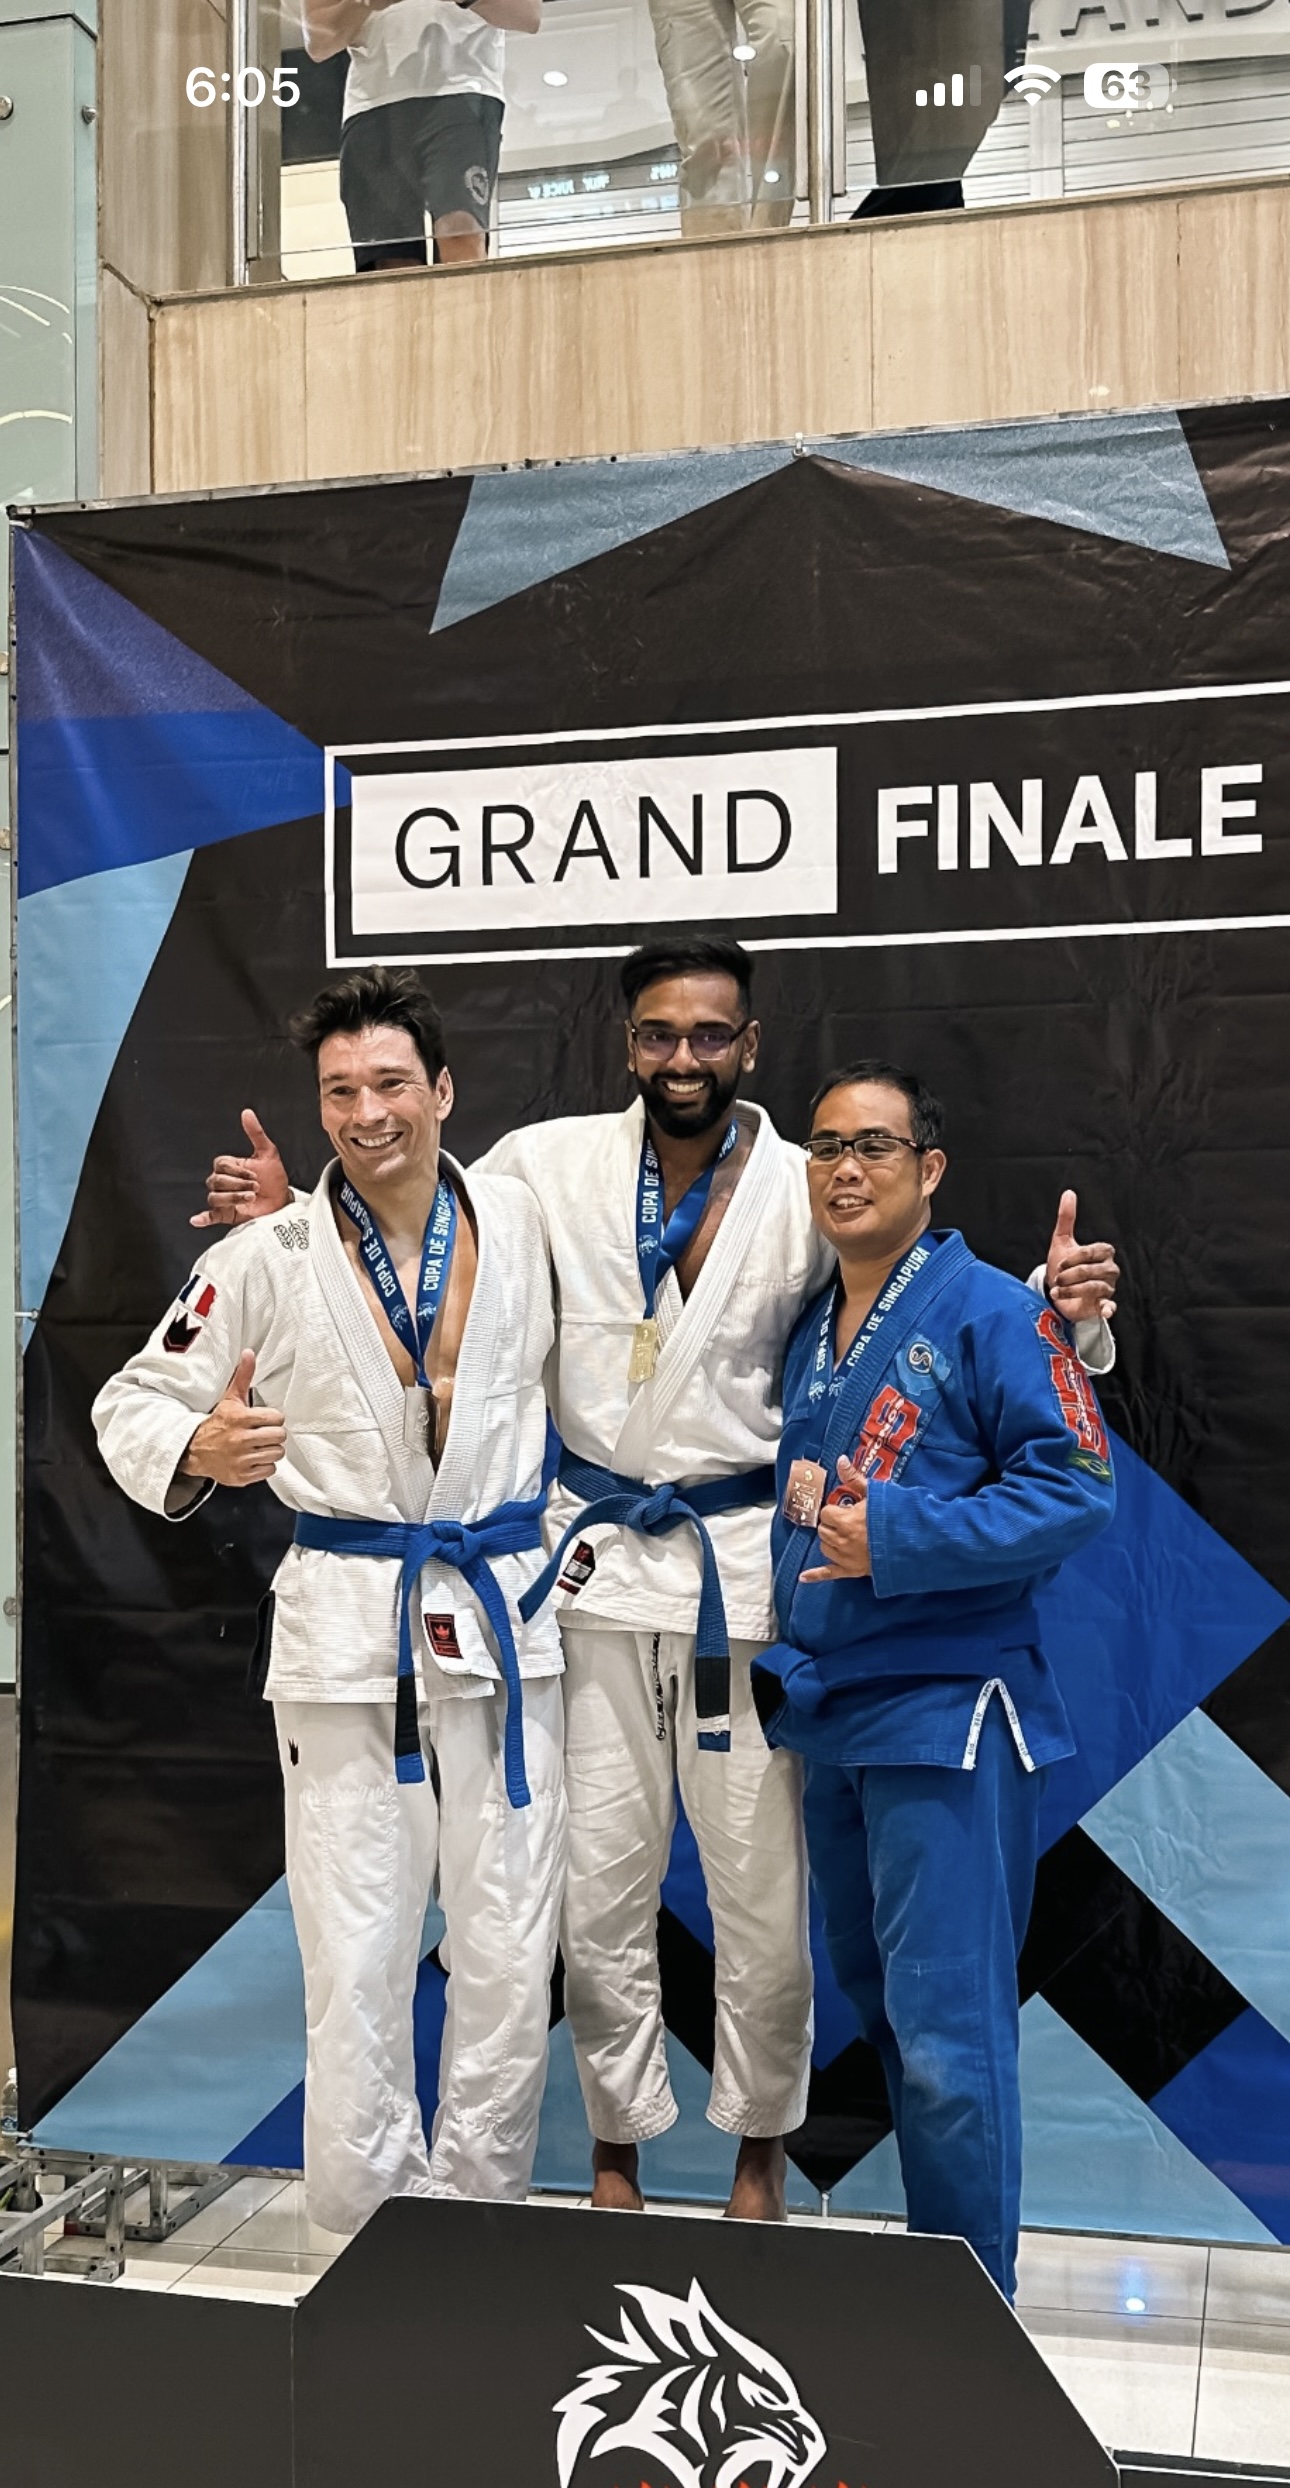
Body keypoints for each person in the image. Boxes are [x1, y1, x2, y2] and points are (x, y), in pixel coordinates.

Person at [193, 937, 1120, 2226]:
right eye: (658, 1035)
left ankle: (761, 2153)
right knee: (599, 1884)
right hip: (584, 1575)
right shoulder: (546, 1168)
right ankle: (617, 2150)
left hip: (743, 1578)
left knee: (760, 1891)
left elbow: (921, 1300)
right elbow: (414, 1213)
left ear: (748, 1046)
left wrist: (1061, 1310)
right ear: (626, 1042)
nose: (683, 1056)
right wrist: (302, 1225)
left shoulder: (815, 1179)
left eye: (710, 1035)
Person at [93, 968, 566, 2236]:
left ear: (445, 1090)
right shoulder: (270, 1253)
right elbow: (130, 1401)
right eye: (341, 1090)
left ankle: (487, 2222)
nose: (368, 1112)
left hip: (508, 1628)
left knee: (513, 1956)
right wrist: (201, 1452)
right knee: (357, 1958)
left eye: (393, 1084)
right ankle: (364, 2236)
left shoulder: (524, 1221)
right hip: (351, 1639)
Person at [752, 1062, 1117, 2301]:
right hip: (836, 1711)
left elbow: (1077, 1486)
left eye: (876, 1147)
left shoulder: (994, 1314)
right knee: (894, 2021)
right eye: (826, 1147)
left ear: (931, 1169)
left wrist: (899, 1537)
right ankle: (940, 2287)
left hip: (952, 1715)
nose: (846, 1169)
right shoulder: (815, 1328)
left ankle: (979, 2312)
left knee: (954, 2043)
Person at [302, 0, 541, 272]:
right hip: (372, 103)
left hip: (462, 90)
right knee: (391, 263)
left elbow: (528, 15)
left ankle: (468, 313)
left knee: (460, 234)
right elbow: (318, 41)